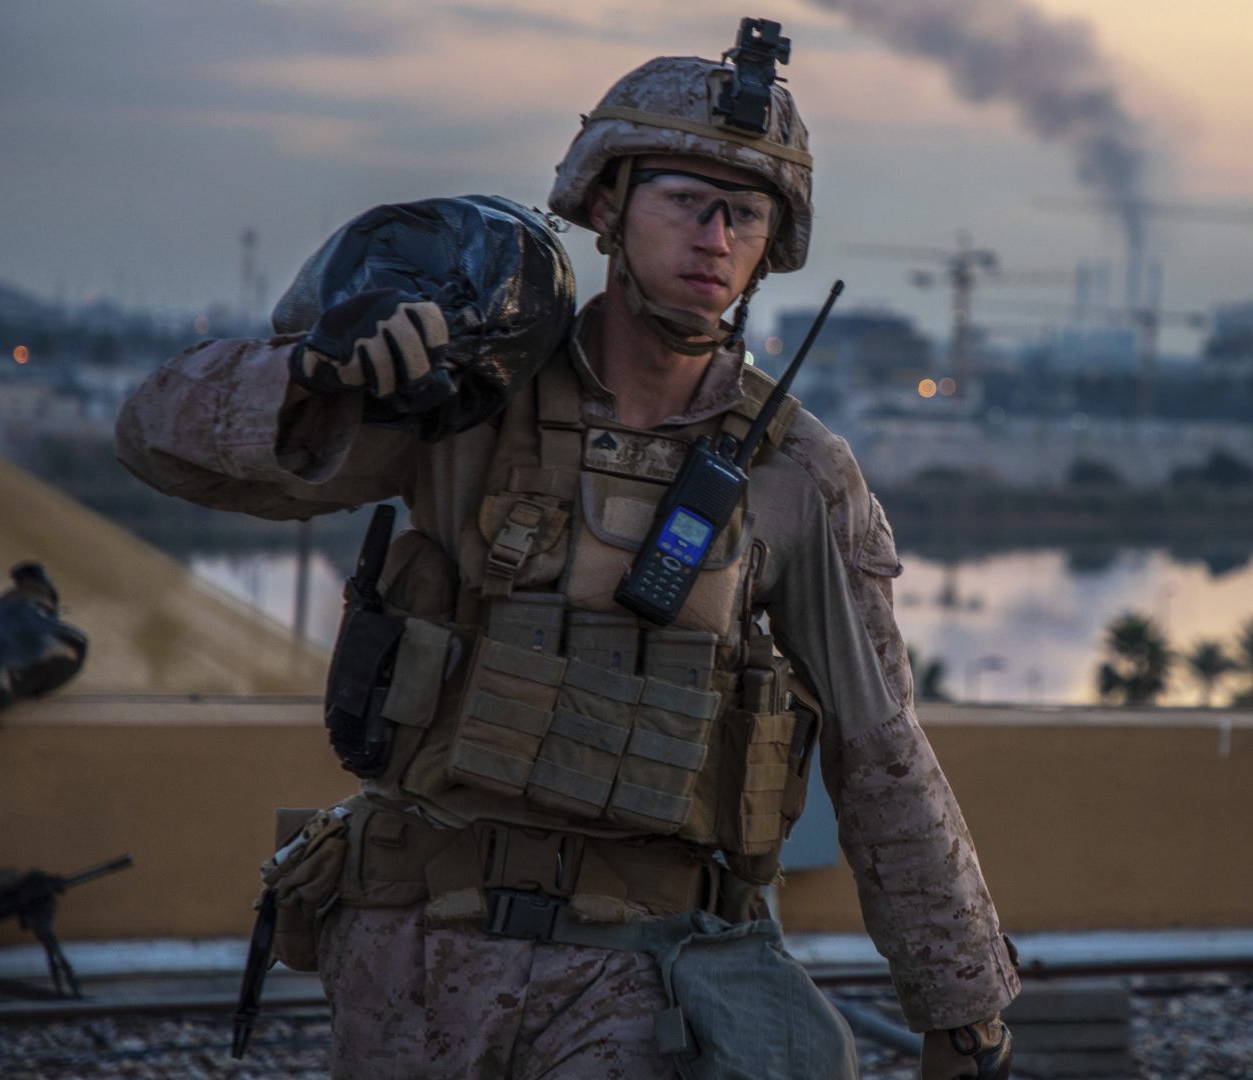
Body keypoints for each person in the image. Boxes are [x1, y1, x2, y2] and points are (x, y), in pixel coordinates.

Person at [118, 19, 1017, 1080]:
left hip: (643, 975)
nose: (717, 238)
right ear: (605, 205)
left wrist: (961, 1006)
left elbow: (880, 744)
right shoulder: (467, 396)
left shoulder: (799, 476)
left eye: (746, 214)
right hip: (416, 952)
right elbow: (159, 444)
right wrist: (316, 379)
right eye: (687, 202)